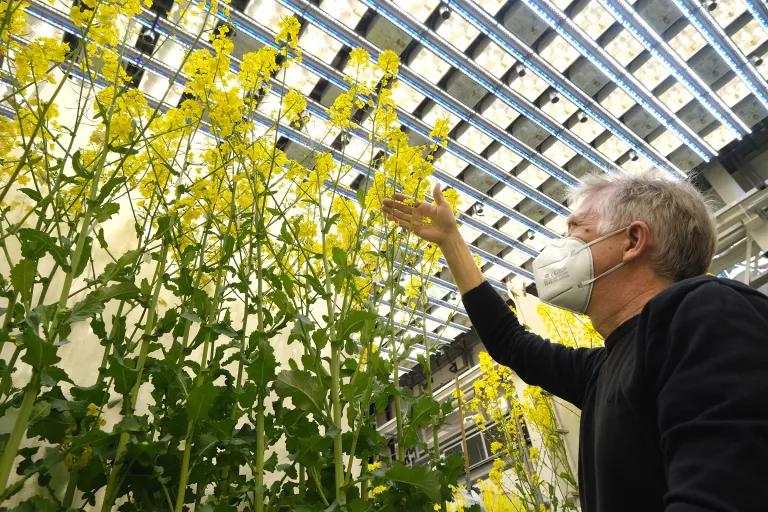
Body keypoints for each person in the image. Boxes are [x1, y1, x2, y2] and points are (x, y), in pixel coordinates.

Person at [382, 170, 768, 512]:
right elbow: (510, 342)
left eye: (576, 230)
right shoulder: (604, 368)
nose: (559, 247)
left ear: (632, 239)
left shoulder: (705, 310)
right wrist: (451, 241)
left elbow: (724, 493)